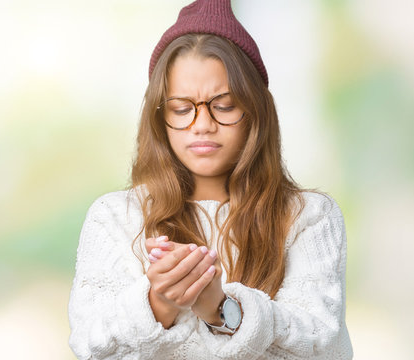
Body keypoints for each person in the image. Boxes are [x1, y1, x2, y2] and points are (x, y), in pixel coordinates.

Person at [67, 0, 353, 358]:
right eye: (182, 109)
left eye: (224, 105)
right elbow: (88, 346)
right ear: (159, 117)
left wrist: (222, 308)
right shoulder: (115, 218)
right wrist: (158, 304)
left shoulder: (308, 216)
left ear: (255, 112)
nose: (202, 124)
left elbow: (323, 345)